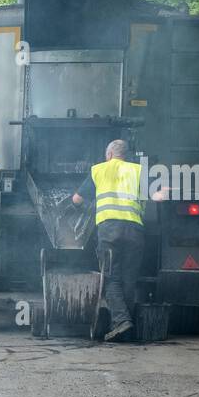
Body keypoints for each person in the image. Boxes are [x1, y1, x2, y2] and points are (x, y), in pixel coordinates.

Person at [71, 139, 161, 342]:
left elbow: (76, 199)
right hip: (135, 231)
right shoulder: (138, 171)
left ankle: (121, 321)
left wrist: (86, 207)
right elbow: (157, 196)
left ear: (109, 154)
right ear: (126, 155)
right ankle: (123, 327)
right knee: (129, 279)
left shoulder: (98, 170)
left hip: (109, 231)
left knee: (112, 278)